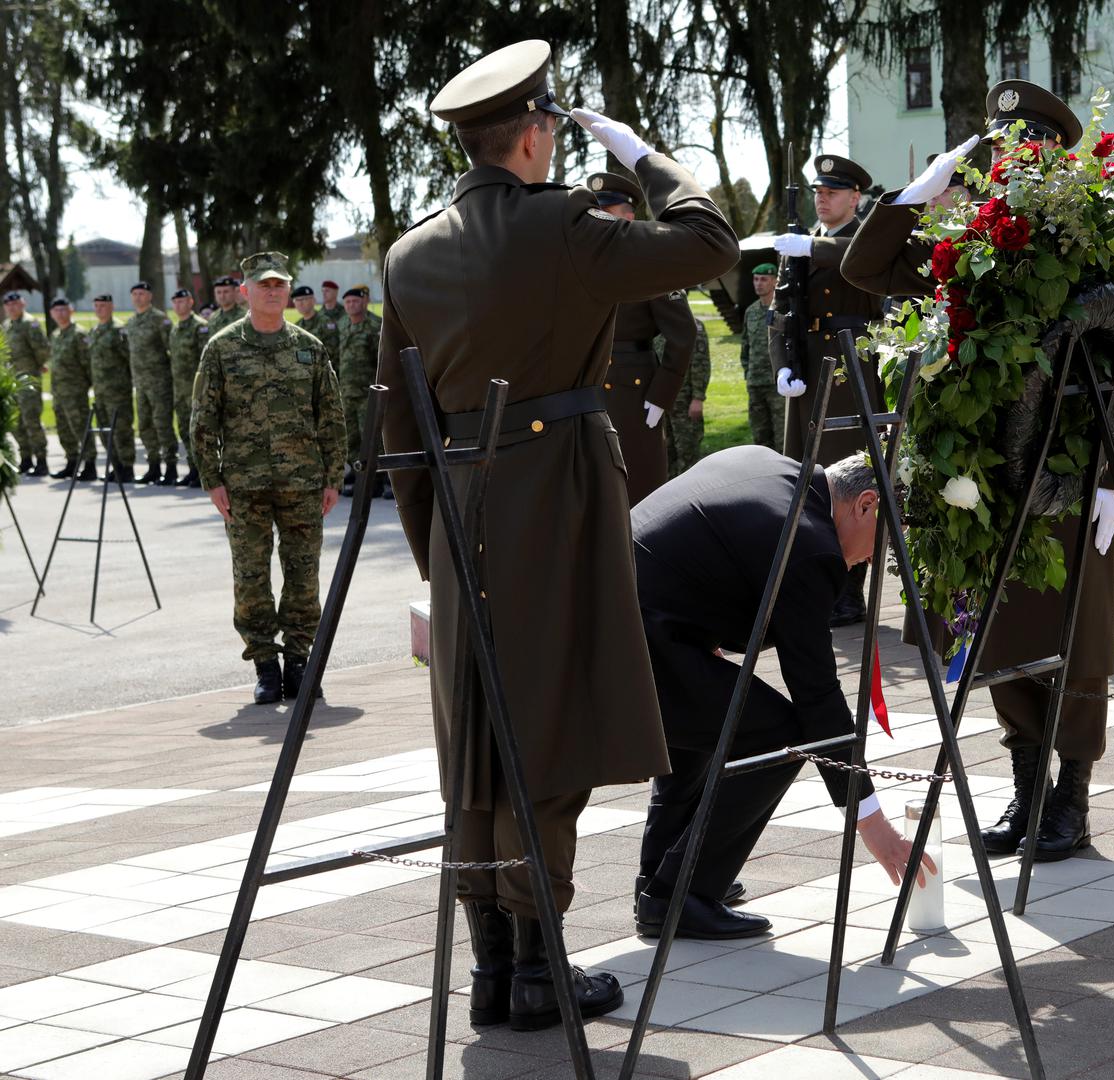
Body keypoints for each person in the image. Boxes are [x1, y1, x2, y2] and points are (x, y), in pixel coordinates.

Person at [375, 39, 738, 1032]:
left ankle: (491, 967)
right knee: (551, 729)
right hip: (559, 497)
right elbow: (710, 240)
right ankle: (540, 967)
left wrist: (436, 546)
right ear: (534, 136)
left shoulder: (409, 253)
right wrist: (641, 155)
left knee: (476, 740)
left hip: (462, 514)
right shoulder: (563, 224)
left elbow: (399, 421)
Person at [841, 81, 1114, 863]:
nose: (1011, 158)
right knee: (996, 628)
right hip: (978, 475)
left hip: (1068, 470)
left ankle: (1071, 798)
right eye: (999, 145)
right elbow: (865, 266)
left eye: (1026, 144)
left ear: (1054, 153)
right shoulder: (971, 239)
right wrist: (918, 192)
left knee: (1074, 635)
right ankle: (1026, 790)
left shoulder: (1097, 231)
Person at [632, 446, 932, 938]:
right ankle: (678, 896)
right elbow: (817, 695)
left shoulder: (770, 464)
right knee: (778, 736)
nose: (872, 559)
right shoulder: (809, 544)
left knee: (716, 720)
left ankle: (667, 880)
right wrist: (872, 823)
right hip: (639, 636)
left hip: (624, 614)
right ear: (866, 505)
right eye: (882, 543)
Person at [190, 252, 343, 704]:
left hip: (302, 484)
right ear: (245, 292)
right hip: (244, 487)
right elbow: (203, 419)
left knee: (304, 575)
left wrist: (333, 477)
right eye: (263, 285)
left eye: (279, 284)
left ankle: (298, 662)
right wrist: (212, 479)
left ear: (288, 290)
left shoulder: (309, 348)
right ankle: (265, 666)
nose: (273, 292)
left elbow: (331, 417)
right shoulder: (221, 349)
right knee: (251, 578)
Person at [769, 152, 887, 625]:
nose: (822, 199)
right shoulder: (802, 243)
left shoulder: (861, 239)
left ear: (855, 198)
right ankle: (818, 580)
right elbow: (781, 313)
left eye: (832, 192)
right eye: (818, 191)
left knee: (850, 481)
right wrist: (782, 366)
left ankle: (850, 588)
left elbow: (862, 258)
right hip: (810, 372)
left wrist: (810, 248)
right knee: (808, 480)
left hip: (849, 371)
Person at [589, 169, 697, 504]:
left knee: (639, 482)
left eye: (605, 211)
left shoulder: (651, 261)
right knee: (593, 483)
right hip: (588, 384)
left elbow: (683, 333)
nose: (596, 219)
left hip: (634, 389)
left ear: (628, 216)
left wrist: (662, 393)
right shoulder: (583, 260)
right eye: (594, 211)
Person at [126, 281, 178, 485]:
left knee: (162, 424)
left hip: (159, 382)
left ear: (150, 296)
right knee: (145, 425)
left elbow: (171, 349)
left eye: (142, 293)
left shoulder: (159, 319)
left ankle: (171, 468)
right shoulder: (131, 322)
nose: (138, 297)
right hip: (140, 384)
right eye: (135, 294)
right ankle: (153, 467)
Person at [338, 285, 386, 497]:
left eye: (355, 301)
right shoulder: (343, 325)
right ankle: (362, 479)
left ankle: (378, 481)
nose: (351, 305)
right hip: (347, 393)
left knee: (372, 439)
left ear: (363, 302)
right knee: (352, 440)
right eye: (347, 302)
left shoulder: (374, 325)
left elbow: (382, 361)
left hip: (368, 393)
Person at [87, 293, 136, 482]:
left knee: (121, 428)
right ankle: (116, 466)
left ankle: (127, 467)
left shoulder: (118, 330)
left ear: (111, 307)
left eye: (103, 306)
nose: (99, 309)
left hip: (118, 390)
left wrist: (127, 382)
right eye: (96, 306)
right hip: (100, 391)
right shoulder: (94, 331)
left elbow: (129, 358)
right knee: (104, 429)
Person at [46, 299, 94, 480]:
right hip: (59, 392)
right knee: (64, 429)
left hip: (75, 392)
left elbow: (87, 363)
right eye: (56, 310)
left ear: (71, 311)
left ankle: (89, 464)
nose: (60, 314)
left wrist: (85, 385)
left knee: (80, 427)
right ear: (52, 314)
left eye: (63, 310)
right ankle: (71, 462)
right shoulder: (56, 335)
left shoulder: (79, 334)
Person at [4, 291, 50, 477]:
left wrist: (37, 366)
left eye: (15, 303)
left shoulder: (30, 323)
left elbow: (42, 349)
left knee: (31, 420)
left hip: (28, 381)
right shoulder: (7, 326)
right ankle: (25, 458)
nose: (12, 307)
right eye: (8, 305)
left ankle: (41, 460)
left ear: (22, 304)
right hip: (12, 383)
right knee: (16, 423)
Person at [169, 289, 210, 488]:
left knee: (200, 432)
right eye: (175, 302)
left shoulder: (200, 327)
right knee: (185, 431)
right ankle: (193, 469)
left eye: (182, 301)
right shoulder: (175, 329)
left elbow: (206, 360)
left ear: (191, 302)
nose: (178, 305)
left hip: (196, 390)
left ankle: (205, 473)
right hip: (180, 390)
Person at [740, 262, 784, 451]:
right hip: (755, 384)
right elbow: (745, 347)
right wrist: (748, 373)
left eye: (764, 279)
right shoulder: (750, 311)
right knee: (760, 438)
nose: (758, 283)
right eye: (756, 279)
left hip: (777, 385)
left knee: (782, 438)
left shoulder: (782, 309)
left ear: (774, 282)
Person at [665, 316, 710, 477]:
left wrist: (698, 398)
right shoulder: (657, 324)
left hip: (684, 401)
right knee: (666, 455)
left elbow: (700, 364)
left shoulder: (692, 325)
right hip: (662, 402)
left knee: (687, 454)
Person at [292, 284, 340, 362]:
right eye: (297, 300)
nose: (300, 303)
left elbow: (331, 351)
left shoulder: (326, 322)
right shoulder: (297, 326)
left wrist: (302, 357)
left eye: (304, 299)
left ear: (313, 301)